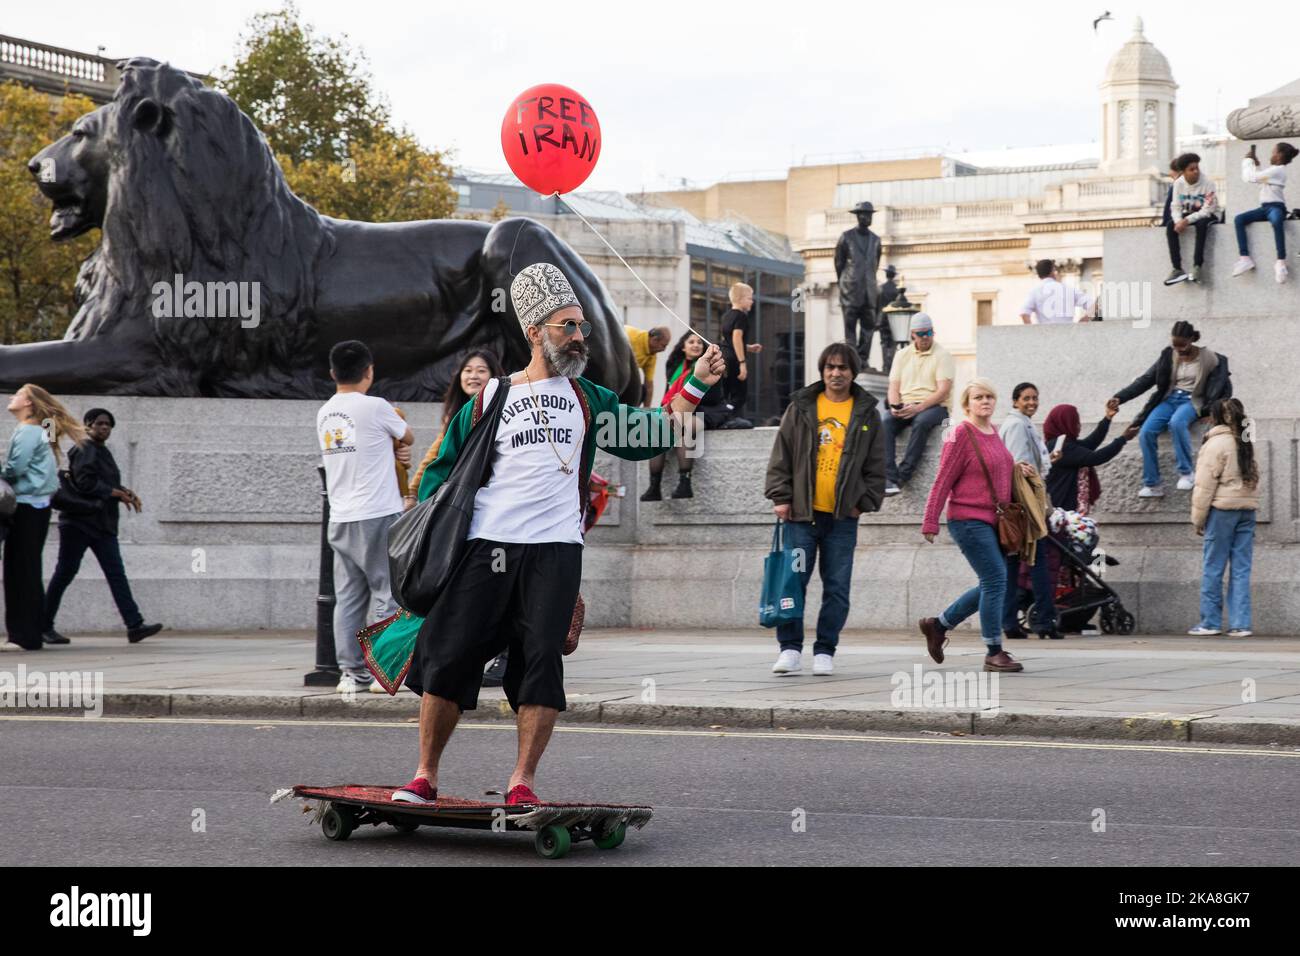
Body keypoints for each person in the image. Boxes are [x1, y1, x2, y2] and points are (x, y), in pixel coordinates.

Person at [392, 261, 726, 806]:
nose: (578, 336)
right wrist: (428, 532)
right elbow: (440, 472)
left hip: (556, 552)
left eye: (582, 327)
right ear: (533, 332)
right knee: (449, 658)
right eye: (566, 326)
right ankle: (424, 776)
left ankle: (522, 784)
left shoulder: (590, 398)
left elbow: (648, 434)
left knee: (541, 663)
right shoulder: (489, 398)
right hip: (485, 547)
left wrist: (696, 384)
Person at [764, 343, 886, 676]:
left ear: (853, 373)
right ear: (822, 371)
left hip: (842, 519)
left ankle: (825, 650)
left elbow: (877, 465)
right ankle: (789, 649)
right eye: (830, 367)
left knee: (837, 587)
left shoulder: (866, 413)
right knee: (793, 583)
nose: (836, 373)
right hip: (801, 517)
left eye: (842, 368)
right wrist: (780, 497)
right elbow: (781, 455)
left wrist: (864, 503)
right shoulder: (802, 407)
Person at [317, 340, 415, 693]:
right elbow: (408, 435)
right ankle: (383, 671)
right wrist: (397, 449)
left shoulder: (324, 412)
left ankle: (350, 674)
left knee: (349, 598)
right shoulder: (376, 407)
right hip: (377, 513)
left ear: (332, 374)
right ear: (369, 371)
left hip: (340, 518)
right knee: (387, 592)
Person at [918, 379, 1028, 674]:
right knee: (995, 580)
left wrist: (1018, 469)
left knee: (991, 582)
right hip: (967, 519)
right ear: (967, 404)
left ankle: (938, 625)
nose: (985, 401)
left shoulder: (993, 432)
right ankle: (993, 651)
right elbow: (943, 479)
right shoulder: (960, 434)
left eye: (990, 397)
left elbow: (996, 471)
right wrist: (931, 519)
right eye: (978, 397)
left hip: (996, 521)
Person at [41, 408, 162, 645]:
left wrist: (123, 491)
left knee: (116, 574)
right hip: (79, 524)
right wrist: (115, 492)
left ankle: (134, 625)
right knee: (65, 573)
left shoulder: (101, 451)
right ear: (88, 426)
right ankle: (43, 625)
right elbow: (86, 483)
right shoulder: (85, 448)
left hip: (101, 525)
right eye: (100, 423)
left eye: (108, 425)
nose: (105, 428)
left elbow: (103, 483)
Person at [1108, 321, 1231, 497]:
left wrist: (1214, 411)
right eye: (1175, 345)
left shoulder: (1208, 357)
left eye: (1183, 344)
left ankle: (1186, 473)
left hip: (1192, 400)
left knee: (1177, 422)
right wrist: (1120, 397)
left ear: (1192, 339)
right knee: (1146, 432)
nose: (1179, 349)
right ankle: (1152, 484)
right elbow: (1146, 380)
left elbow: (1223, 385)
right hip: (1170, 399)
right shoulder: (1168, 355)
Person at [1, 385, 81, 652]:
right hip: (40, 506)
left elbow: (16, 468)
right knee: (30, 568)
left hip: (24, 506)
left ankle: (23, 634)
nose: (13, 397)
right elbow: (47, 463)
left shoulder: (27, 431)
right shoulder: (43, 430)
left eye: (18, 394)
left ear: (30, 404)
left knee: (18, 571)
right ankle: (31, 632)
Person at [1189, 398, 1259, 638]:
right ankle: (1241, 624)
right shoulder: (1246, 440)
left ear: (1214, 418)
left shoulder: (1215, 443)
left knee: (1213, 567)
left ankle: (1210, 622)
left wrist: (1198, 519)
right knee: (1241, 568)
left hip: (1222, 510)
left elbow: (1204, 486)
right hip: (1247, 509)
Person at [406, 349, 505, 510]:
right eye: (468, 370)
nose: (473, 376)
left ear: (494, 377)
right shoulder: (457, 413)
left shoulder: (500, 410)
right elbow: (436, 456)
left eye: (481, 371)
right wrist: (413, 491)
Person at [998, 383, 1059, 640]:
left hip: (1020, 505)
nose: (1032, 402)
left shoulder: (1022, 424)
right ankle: (1044, 621)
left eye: (1035, 397)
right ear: (1015, 401)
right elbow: (1019, 467)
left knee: (1013, 564)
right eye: (1026, 398)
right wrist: (1033, 507)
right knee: (1038, 562)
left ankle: (1010, 621)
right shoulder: (1017, 425)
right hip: (1025, 505)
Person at [880, 312, 953, 495]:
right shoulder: (902, 355)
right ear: (912, 334)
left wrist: (918, 408)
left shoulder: (942, 355)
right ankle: (889, 477)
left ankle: (903, 474)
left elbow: (943, 390)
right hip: (907, 404)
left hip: (935, 407)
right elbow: (893, 387)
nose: (926, 337)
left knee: (921, 422)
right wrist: (896, 407)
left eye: (929, 333)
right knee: (886, 421)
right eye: (921, 334)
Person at [641, 331, 715, 501]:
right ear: (683, 347)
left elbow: (714, 397)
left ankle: (685, 483)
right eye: (691, 342)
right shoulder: (674, 366)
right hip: (678, 410)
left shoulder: (708, 366)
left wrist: (688, 399)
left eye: (699, 342)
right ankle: (654, 486)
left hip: (704, 410)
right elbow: (668, 393)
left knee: (685, 428)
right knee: (657, 431)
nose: (696, 345)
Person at [1043, 404, 1137, 514]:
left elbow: (1089, 444)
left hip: (1064, 507)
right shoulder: (1060, 446)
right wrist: (1123, 439)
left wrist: (1107, 419)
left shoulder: (1063, 443)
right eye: (1074, 422)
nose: (1079, 426)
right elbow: (1096, 457)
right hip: (1064, 509)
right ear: (1064, 423)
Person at [1233, 141, 1299, 283]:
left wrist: (1247, 161)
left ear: (1280, 155)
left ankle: (1281, 261)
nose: (1271, 155)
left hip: (1276, 207)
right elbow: (1261, 177)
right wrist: (1256, 165)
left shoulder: (1278, 170)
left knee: (1276, 221)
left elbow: (1250, 178)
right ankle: (1244, 258)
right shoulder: (1274, 171)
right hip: (1264, 208)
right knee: (1239, 219)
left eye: (1273, 152)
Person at [834, 200, 883, 367]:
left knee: (868, 327)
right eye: (865, 214)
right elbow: (839, 263)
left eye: (870, 215)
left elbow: (875, 264)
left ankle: (863, 359)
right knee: (850, 328)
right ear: (858, 216)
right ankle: (852, 359)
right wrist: (845, 282)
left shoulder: (876, 240)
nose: (868, 217)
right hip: (850, 289)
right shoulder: (846, 237)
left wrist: (869, 281)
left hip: (869, 290)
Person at [1164, 152, 1218, 285]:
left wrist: (1186, 220)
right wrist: (1178, 222)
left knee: (1201, 225)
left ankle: (1197, 266)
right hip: (1188, 215)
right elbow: (1175, 206)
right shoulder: (1178, 184)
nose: (1196, 172)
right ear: (1183, 172)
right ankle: (1177, 269)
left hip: (1209, 215)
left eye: (1197, 168)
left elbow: (1207, 210)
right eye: (1191, 169)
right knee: (1171, 226)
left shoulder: (1208, 183)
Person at [719, 282, 762, 425]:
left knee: (726, 391)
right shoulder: (741, 317)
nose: (752, 301)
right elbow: (736, 337)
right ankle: (727, 415)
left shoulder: (726, 316)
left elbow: (729, 339)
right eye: (750, 298)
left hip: (725, 356)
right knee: (740, 395)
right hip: (734, 360)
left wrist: (748, 347)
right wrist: (742, 363)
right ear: (741, 299)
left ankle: (723, 414)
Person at [1019, 259, 1096, 324]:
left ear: (1039, 274)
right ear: (1053, 271)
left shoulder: (1035, 292)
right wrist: (1084, 320)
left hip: (1044, 335)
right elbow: (1093, 306)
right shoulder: (1068, 289)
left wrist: (1031, 332)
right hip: (1069, 334)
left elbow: (1024, 313)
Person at [624, 324, 670, 406]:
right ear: (655, 340)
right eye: (663, 346)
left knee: (641, 391)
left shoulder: (651, 356)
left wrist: (647, 410)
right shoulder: (630, 335)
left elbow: (649, 385)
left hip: (624, 380)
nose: (664, 350)